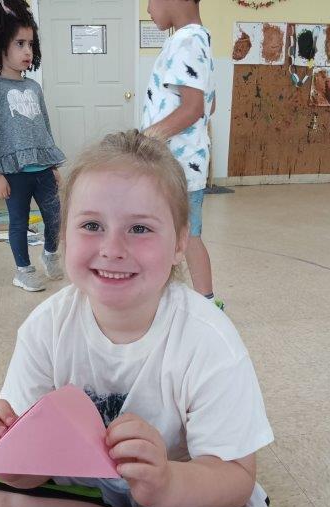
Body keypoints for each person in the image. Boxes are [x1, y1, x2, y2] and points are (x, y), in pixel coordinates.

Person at [0, 130, 274, 507]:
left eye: (139, 228)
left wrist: (165, 483)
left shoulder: (208, 339)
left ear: (180, 243)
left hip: (185, 503)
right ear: (62, 233)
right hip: (85, 495)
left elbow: (235, 478)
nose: (112, 248)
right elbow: (30, 470)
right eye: (92, 225)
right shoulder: (47, 327)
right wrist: (5, 455)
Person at [0, 0, 66, 292]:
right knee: (18, 222)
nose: (28, 51)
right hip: (13, 173)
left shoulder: (34, 87)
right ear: (0, 44)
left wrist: (53, 164)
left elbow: (44, 128)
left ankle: (50, 253)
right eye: (20, 44)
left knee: (55, 217)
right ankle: (23, 270)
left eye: (31, 44)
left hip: (43, 169)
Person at [141, 0, 222, 308]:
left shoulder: (186, 40)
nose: (148, 9)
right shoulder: (198, 38)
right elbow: (210, 104)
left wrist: (146, 138)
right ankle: (202, 302)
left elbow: (193, 108)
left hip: (178, 168)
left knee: (182, 237)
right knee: (184, 236)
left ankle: (206, 306)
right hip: (183, 164)